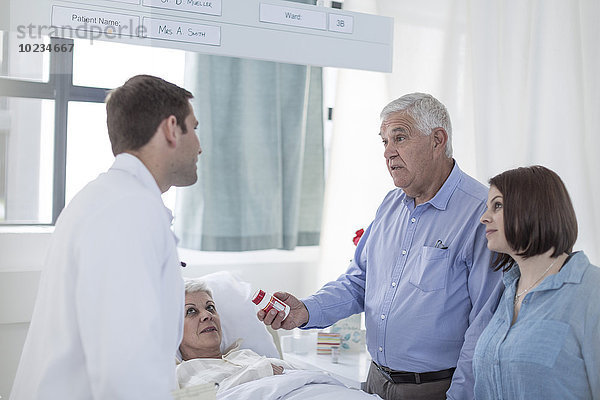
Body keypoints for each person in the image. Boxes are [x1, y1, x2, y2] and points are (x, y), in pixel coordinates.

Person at [258, 93, 503, 400]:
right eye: (384, 142)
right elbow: (359, 282)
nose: (389, 152)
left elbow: (485, 323)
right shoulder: (390, 205)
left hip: (438, 388)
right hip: (376, 381)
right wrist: (306, 310)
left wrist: (460, 396)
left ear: (437, 140)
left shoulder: (482, 212)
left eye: (399, 138)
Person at [10, 75, 202, 399]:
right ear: (171, 128)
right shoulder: (129, 210)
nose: (200, 144)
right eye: (194, 128)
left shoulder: (109, 198)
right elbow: (126, 368)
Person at [474, 165, 600, 399]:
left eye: (497, 205)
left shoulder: (591, 292)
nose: (484, 217)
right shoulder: (508, 292)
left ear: (533, 208)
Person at [177, 280, 289, 392]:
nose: (208, 315)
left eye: (210, 307)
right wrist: (259, 372)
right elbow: (210, 395)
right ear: (174, 332)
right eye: (191, 311)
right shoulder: (183, 373)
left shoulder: (245, 355)